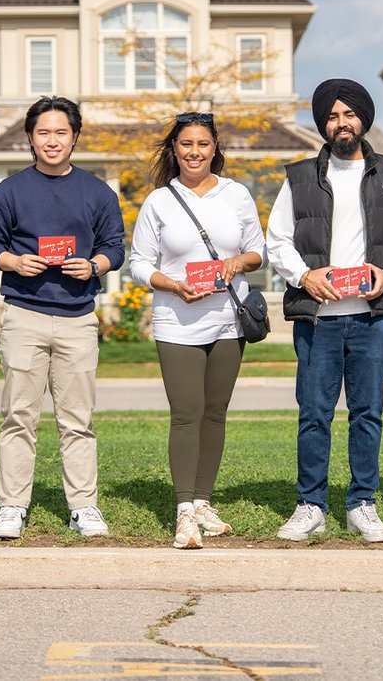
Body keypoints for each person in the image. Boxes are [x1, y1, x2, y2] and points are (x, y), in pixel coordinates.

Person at [267, 79, 383, 543]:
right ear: (323, 123)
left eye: (350, 114)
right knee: (314, 414)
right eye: (333, 116)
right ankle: (310, 505)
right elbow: (277, 238)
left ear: (363, 119)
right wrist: (304, 277)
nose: (342, 123)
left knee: (367, 413)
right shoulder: (298, 176)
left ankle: (362, 503)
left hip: (372, 316)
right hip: (319, 318)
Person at [0, 96, 125, 540]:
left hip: (78, 317)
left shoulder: (98, 192)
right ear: (30, 137)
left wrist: (95, 265)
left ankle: (84, 505)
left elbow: (115, 246)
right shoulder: (8, 192)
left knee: (77, 419)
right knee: (18, 416)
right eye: (44, 132)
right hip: (23, 315)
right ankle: (13, 506)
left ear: (75, 137)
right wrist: (13, 262)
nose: (52, 141)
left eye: (61, 132)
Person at [129, 112, 267, 549]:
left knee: (215, 413)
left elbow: (257, 251)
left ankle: (204, 500)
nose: (194, 151)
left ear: (214, 149)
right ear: (174, 150)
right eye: (186, 144)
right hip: (177, 319)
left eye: (202, 144)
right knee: (186, 414)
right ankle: (184, 509)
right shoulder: (159, 202)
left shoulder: (237, 194)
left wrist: (235, 263)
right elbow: (138, 264)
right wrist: (171, 284)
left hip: (228, 319)